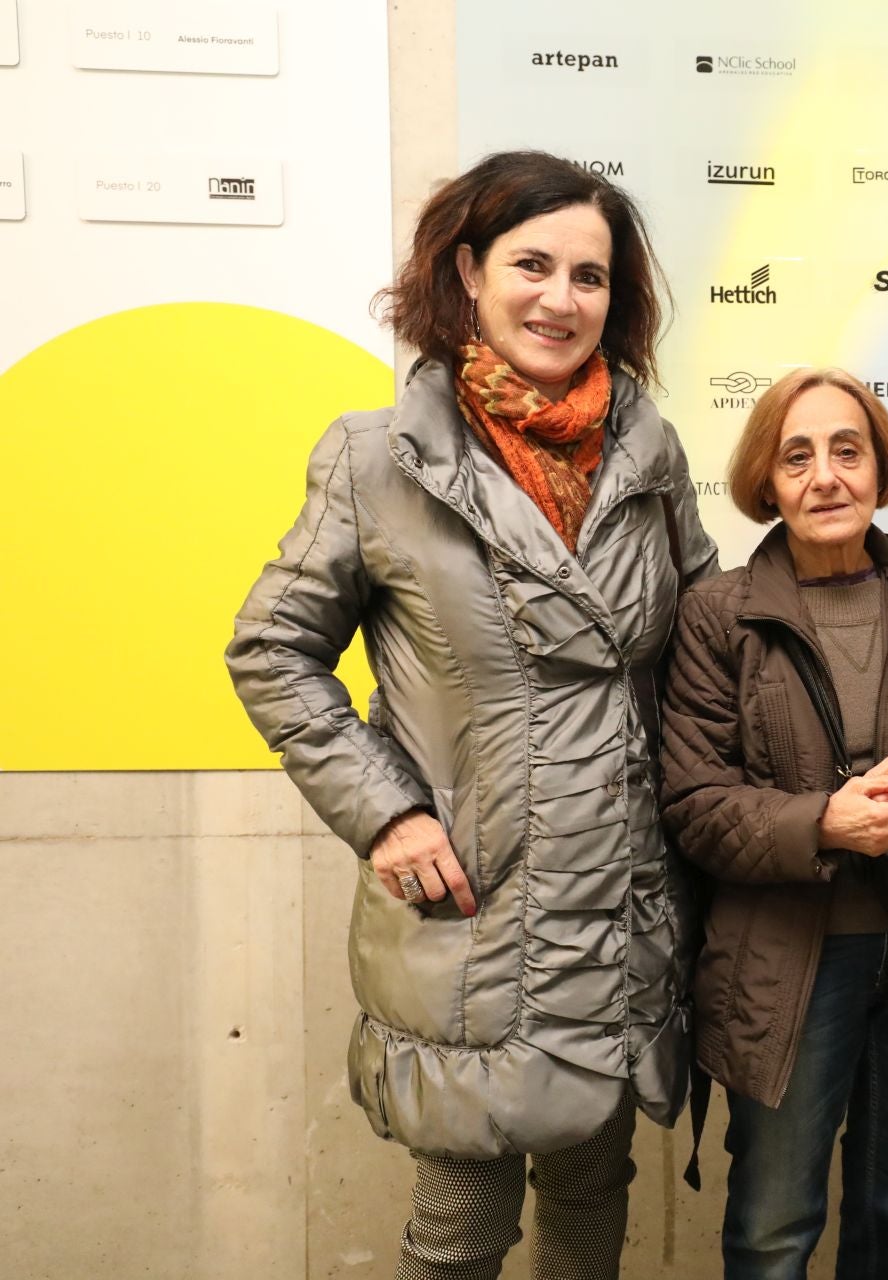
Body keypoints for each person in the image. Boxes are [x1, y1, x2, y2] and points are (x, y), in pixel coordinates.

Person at [226, 150, 717, 1279]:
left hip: (618, 906)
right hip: (477, 910)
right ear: (468, 273)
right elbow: (272, 649)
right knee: (462, 1225)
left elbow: (703, 644)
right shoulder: (378, 457)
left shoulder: (649, 453)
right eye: (531, 264)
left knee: (595, 1202)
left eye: (589, 276)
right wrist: (388, 813)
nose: (560, 297)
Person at [659, 368, 888, 1280]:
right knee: (774, 1230)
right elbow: (693, 803)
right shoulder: (720, 614)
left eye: (846, 450)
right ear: (767, 480)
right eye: (798, 456)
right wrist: (822, 823)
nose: (825, 476)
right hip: (784, 966)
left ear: (878, 468)